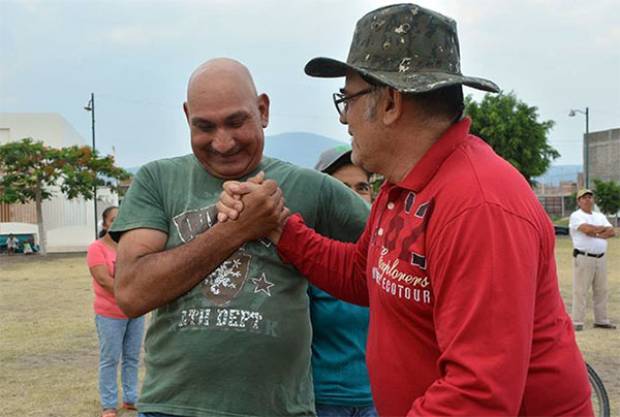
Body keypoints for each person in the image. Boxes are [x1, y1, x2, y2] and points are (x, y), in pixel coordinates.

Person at [217, 4, 593, 416]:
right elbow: (362, 275)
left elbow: (477, 393)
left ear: (392, 102)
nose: (345, 119)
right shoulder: (403, 187)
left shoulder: (479, 204)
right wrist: (278, 225)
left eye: (348, 98)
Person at [108, 58, 369, 417]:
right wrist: (237, 229)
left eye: (236, 121)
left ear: (262, 110)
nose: (223, 142)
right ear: (187, 117)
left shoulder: (312, 188)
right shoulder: (158, 180)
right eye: (204, 126)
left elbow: (393, 251)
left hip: (280, 409)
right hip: (172, 407)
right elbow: (132, 294)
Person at [311, 146, 376, 417]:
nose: (353, 196)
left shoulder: (386, 254)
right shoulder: (309, 255)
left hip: (378, 401)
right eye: (342, 187)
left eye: (362, 187)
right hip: (322, 400)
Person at [87, 206, 145, 417]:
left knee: (132, 358)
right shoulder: (96, 248)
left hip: (135, 312)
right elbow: (103, 279)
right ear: (105, 224)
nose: (118, 223)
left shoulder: (132, 248)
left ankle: (131, 398)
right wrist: (129, 294)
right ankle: (109, 405)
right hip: (109, 313)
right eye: (113, 220)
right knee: (110, 359)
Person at [569, 188, 616, 331]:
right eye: (584, 197)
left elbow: (612, 232)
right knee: (581, 290)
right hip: (584, 257)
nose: (588, 199)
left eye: (590, 197)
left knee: (601, 290)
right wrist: (601, 230)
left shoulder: (599, 215)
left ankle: (601, 320)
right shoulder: (576, 216)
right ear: (579, 201)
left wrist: (596, 231)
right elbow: (586, 230)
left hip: (600, 257)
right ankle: (577, 321)